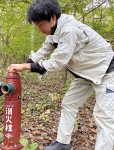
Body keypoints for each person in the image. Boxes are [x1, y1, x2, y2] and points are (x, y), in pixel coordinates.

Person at [7, 0, 114, 149]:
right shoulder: (54, 31)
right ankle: (63, 144)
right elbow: (43, 51)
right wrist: (27, 63)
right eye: (36, 26)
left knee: (104, 116)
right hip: (85, 74)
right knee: (69, 103)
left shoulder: (69, 30)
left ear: (52, 18)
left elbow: (57, 63)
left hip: (106, 72)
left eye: (40, 25)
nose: (39, 29)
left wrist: (26, 67)